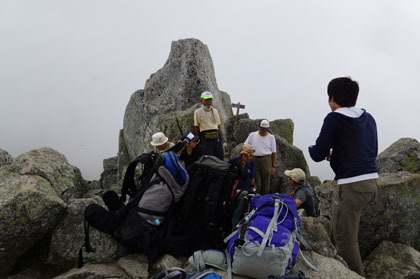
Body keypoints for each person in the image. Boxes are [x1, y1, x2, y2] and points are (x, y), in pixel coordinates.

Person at [308, 77, 379, 277]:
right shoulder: (368, 117)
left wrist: (315, 150)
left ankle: (356, 275)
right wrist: (337, 154)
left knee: (345, 242)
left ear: (332, 98)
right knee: (338, 229)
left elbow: (318, 153)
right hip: (371, 181)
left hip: (352, 185)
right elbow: (369, 149)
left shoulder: (334, 118)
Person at [244, 119, 277, 195]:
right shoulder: (252, 135)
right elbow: (245, 145)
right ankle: (256, 197)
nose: (264, 131)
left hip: (266, 159)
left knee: (266, 183)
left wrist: (273, 166)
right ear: (258, 127)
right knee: (256, 182)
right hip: (254, 158)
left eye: (266, 129)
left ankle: (264, 198)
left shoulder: (271, 137)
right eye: (263, 129)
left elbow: (274, 152)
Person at [194, 91, 224, 160]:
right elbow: (196, 126)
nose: (209, 101)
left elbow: (218, 125)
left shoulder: (215, 111)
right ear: (202, 100)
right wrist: (197, 138)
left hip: (216, 135)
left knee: (219, 155)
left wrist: (220, 135)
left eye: (210, 99)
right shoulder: (197, 111)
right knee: (207, 156)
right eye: (206, 99)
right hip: (204, 135)